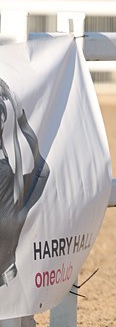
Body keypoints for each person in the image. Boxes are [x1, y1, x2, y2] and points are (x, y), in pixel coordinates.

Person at [0, 78, 50, 287]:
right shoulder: (17, 199)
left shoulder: (15, 197)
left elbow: (43, 173)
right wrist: (23, 123)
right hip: (10, 278)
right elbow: (43, 172)